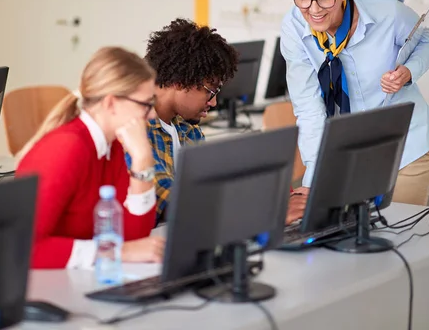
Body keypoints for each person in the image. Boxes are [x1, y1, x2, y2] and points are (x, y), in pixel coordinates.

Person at [281, 0, 429, 206]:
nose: (314, 9)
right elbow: (308, 108)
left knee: (403, 239)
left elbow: (426, 43)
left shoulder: (388, 12)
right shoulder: (293, 28)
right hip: (348, 154)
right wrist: (314, 179)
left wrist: (409, 72)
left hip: (405, 148)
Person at [127, 18, 308, 226]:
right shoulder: (136, 127)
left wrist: (268, 196)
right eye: (210, 91)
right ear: (179, 82)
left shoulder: (186, 128)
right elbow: (171, 203)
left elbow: (208, 189)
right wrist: (265, 212)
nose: (213, 102)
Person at [15, 46, 164, 269]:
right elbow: (23, 249)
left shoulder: (110, 147)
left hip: (73, 279)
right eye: (146, 105)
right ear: (111, 103)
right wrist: (116, 252)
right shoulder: (67, 148)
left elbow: (135, 236)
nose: (152, 114)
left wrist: (143, 160)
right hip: (42, 286)